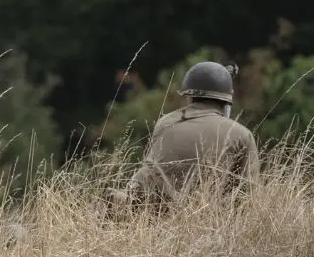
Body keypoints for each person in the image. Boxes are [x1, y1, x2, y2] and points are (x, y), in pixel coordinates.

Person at [111, 61, 260, 212]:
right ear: (227, 101)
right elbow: (247, 198)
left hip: (148, 211)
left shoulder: (166, 122)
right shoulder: (241, 134)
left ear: (189, 96)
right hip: (200, 217)